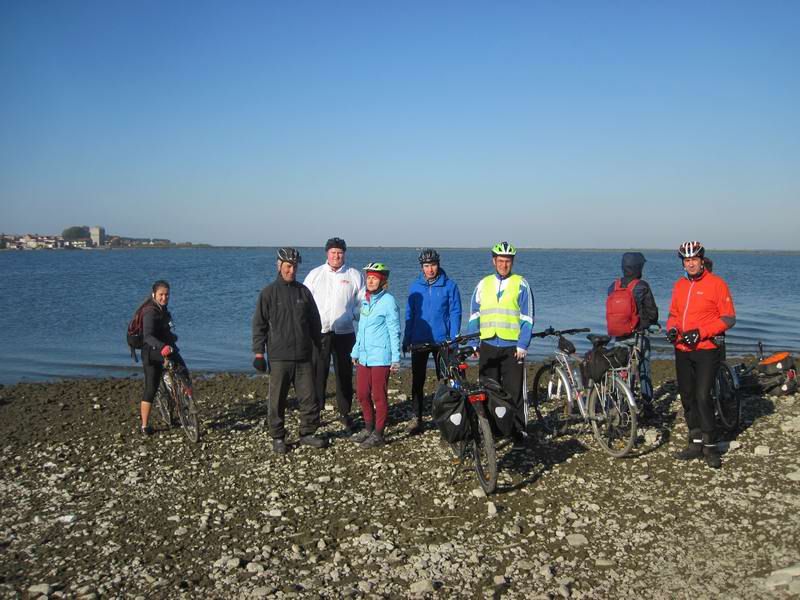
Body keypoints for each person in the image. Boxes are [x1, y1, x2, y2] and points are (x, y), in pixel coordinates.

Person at [666, 241, 736, 469]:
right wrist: (672, 329)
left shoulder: (717, 284)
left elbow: (728, 318)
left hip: (706, 349)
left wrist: (701, 332)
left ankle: (711, 446)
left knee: (703, 396)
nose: (691, 264)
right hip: (682, 349)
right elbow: (674, 314)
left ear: (702, 260)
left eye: (694, 259)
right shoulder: (679, 285)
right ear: (683, 263)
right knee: (687, 396)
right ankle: (695, 442)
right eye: (687, 260)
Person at [252, 247, 327, 454]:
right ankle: (278, 437)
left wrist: (319, 345)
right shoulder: (268, 293)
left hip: (304, 356)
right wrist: (259, 353)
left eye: (294, 266)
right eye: (287, 266)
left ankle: (307, 433)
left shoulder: (303, 292)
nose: (291, 270)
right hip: (279, 357)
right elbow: (259, 325)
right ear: (279, 266)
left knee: (309, 397)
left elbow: (315, 322)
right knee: (277, 400)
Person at [466, 242, 534, 447]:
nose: (504, 265)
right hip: (487, 344)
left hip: (513, 347)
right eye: (501, 261)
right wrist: (473, 343)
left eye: (508, 261)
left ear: (512, 262)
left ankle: (518, 430)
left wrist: (523, 344)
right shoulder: (483, 284)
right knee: (488, 389)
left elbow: (527, 318)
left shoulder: (521, 284)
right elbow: (474, 316)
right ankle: (493, 431)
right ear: (493, 261)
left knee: (514, 391)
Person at [303, 237, 364, 434]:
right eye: (333, 252)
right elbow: (305, 301)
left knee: (344, 374)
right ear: (327, 254)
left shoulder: (354, 274)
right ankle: (316, 413)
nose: (336, 256)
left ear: (344, 254)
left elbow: (362, 302)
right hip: (320, 333)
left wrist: (351, 315)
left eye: (340, 252)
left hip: (345, 333)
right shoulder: (315, 274)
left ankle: (345, 413)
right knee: (317, 374)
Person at [402, 248, 462, 435]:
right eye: (426, 266)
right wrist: (407, 338)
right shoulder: (415, 287)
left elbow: (455, 312)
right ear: (422, 267)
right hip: (419, 340)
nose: (430, 269)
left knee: (445, 380)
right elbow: (410, 315)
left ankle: (446, 417)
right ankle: (416, 418)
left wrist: (454, 339)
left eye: (433, 265)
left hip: (442, 341)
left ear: (438, 264)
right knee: (417, 381)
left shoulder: (449, 286)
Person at [350, 262, 401, 448]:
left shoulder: (388, 301)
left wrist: (396, 358)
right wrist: (355, 351)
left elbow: (395, 331)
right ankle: (368, 427)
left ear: (383, 280)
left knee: (379, 396)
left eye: (374, 278)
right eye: (369, 278)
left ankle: (379, 434)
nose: (370, 281)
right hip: (364, 357)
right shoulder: (365, 300)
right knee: (362, 393)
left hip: (381, 357)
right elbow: (361, 330)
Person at [606, 252, 659, 413]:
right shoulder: (642, 286)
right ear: (639, 267)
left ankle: (619, 403)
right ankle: (647, 405)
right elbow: (653, 314)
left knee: (620, 369)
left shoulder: (613, 286)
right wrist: (650, 322)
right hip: (638, 335)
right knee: (644, 369)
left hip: (618, 335)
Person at [139, 279, 189, 436]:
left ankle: (186, 403)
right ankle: (145, 426)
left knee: (183, 369)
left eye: (167, 295)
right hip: (151, 353)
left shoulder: (164, 311)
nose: (164, 297)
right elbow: (148, 336)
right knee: (151, 388)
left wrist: (172, 338)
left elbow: (164, 331)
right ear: (154, 294)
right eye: (161, 294)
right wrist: (163, 347)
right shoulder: (149, 312)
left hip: (165, 348)